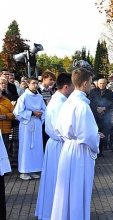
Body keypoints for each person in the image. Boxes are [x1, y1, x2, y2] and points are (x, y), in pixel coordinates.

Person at [50, 68, 103, 220]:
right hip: (80, 151)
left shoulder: (67, 102)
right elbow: (88, 135)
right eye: (91, 83)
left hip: (67, 148)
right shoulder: (82, 105)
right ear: (85, 83)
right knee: (77, 189)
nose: (91, 86)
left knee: (65, 189)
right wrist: (96, 138)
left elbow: (58, 129)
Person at [35, 73, 74, 220]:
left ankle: (53, 211)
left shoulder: (58, 99)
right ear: (66, 87)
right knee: (57, 181)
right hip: (59, 144)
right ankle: (55, 213)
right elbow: (61, 129)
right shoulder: (59, 103)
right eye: (73, 86)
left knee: (55, 180)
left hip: (57, 144)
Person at [13, 77, 46, 180]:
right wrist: (32, 113)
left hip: (36, 123)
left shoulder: (40, 97)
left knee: (36, 146)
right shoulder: (24, 96)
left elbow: (45, 109)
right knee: (26, 147)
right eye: (33, 83)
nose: (35, 85)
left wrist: (41, 114)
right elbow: (17, 112)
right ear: (28, 84)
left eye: (37, 83)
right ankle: (24, 170)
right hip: (27, 124)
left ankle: (34, 169)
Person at [89, 78, 113, 157]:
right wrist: (97, 109)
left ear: (106, 84)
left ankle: (100, 150)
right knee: (95, 133)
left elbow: (112, 103)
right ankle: (93, 149)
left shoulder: (109, 93)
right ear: (97, 84)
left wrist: (104, 108)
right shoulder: (93, 92)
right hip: (95, 117)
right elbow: (90, 102)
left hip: (105, 117)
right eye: (100, 83)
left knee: (104, 134)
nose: (102, 85)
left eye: (103, 83)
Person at [0, 84, 15, 153]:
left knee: (5, 151)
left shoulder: (7, 101)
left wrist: (6, 116)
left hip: (5, 132)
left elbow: (14, 114)